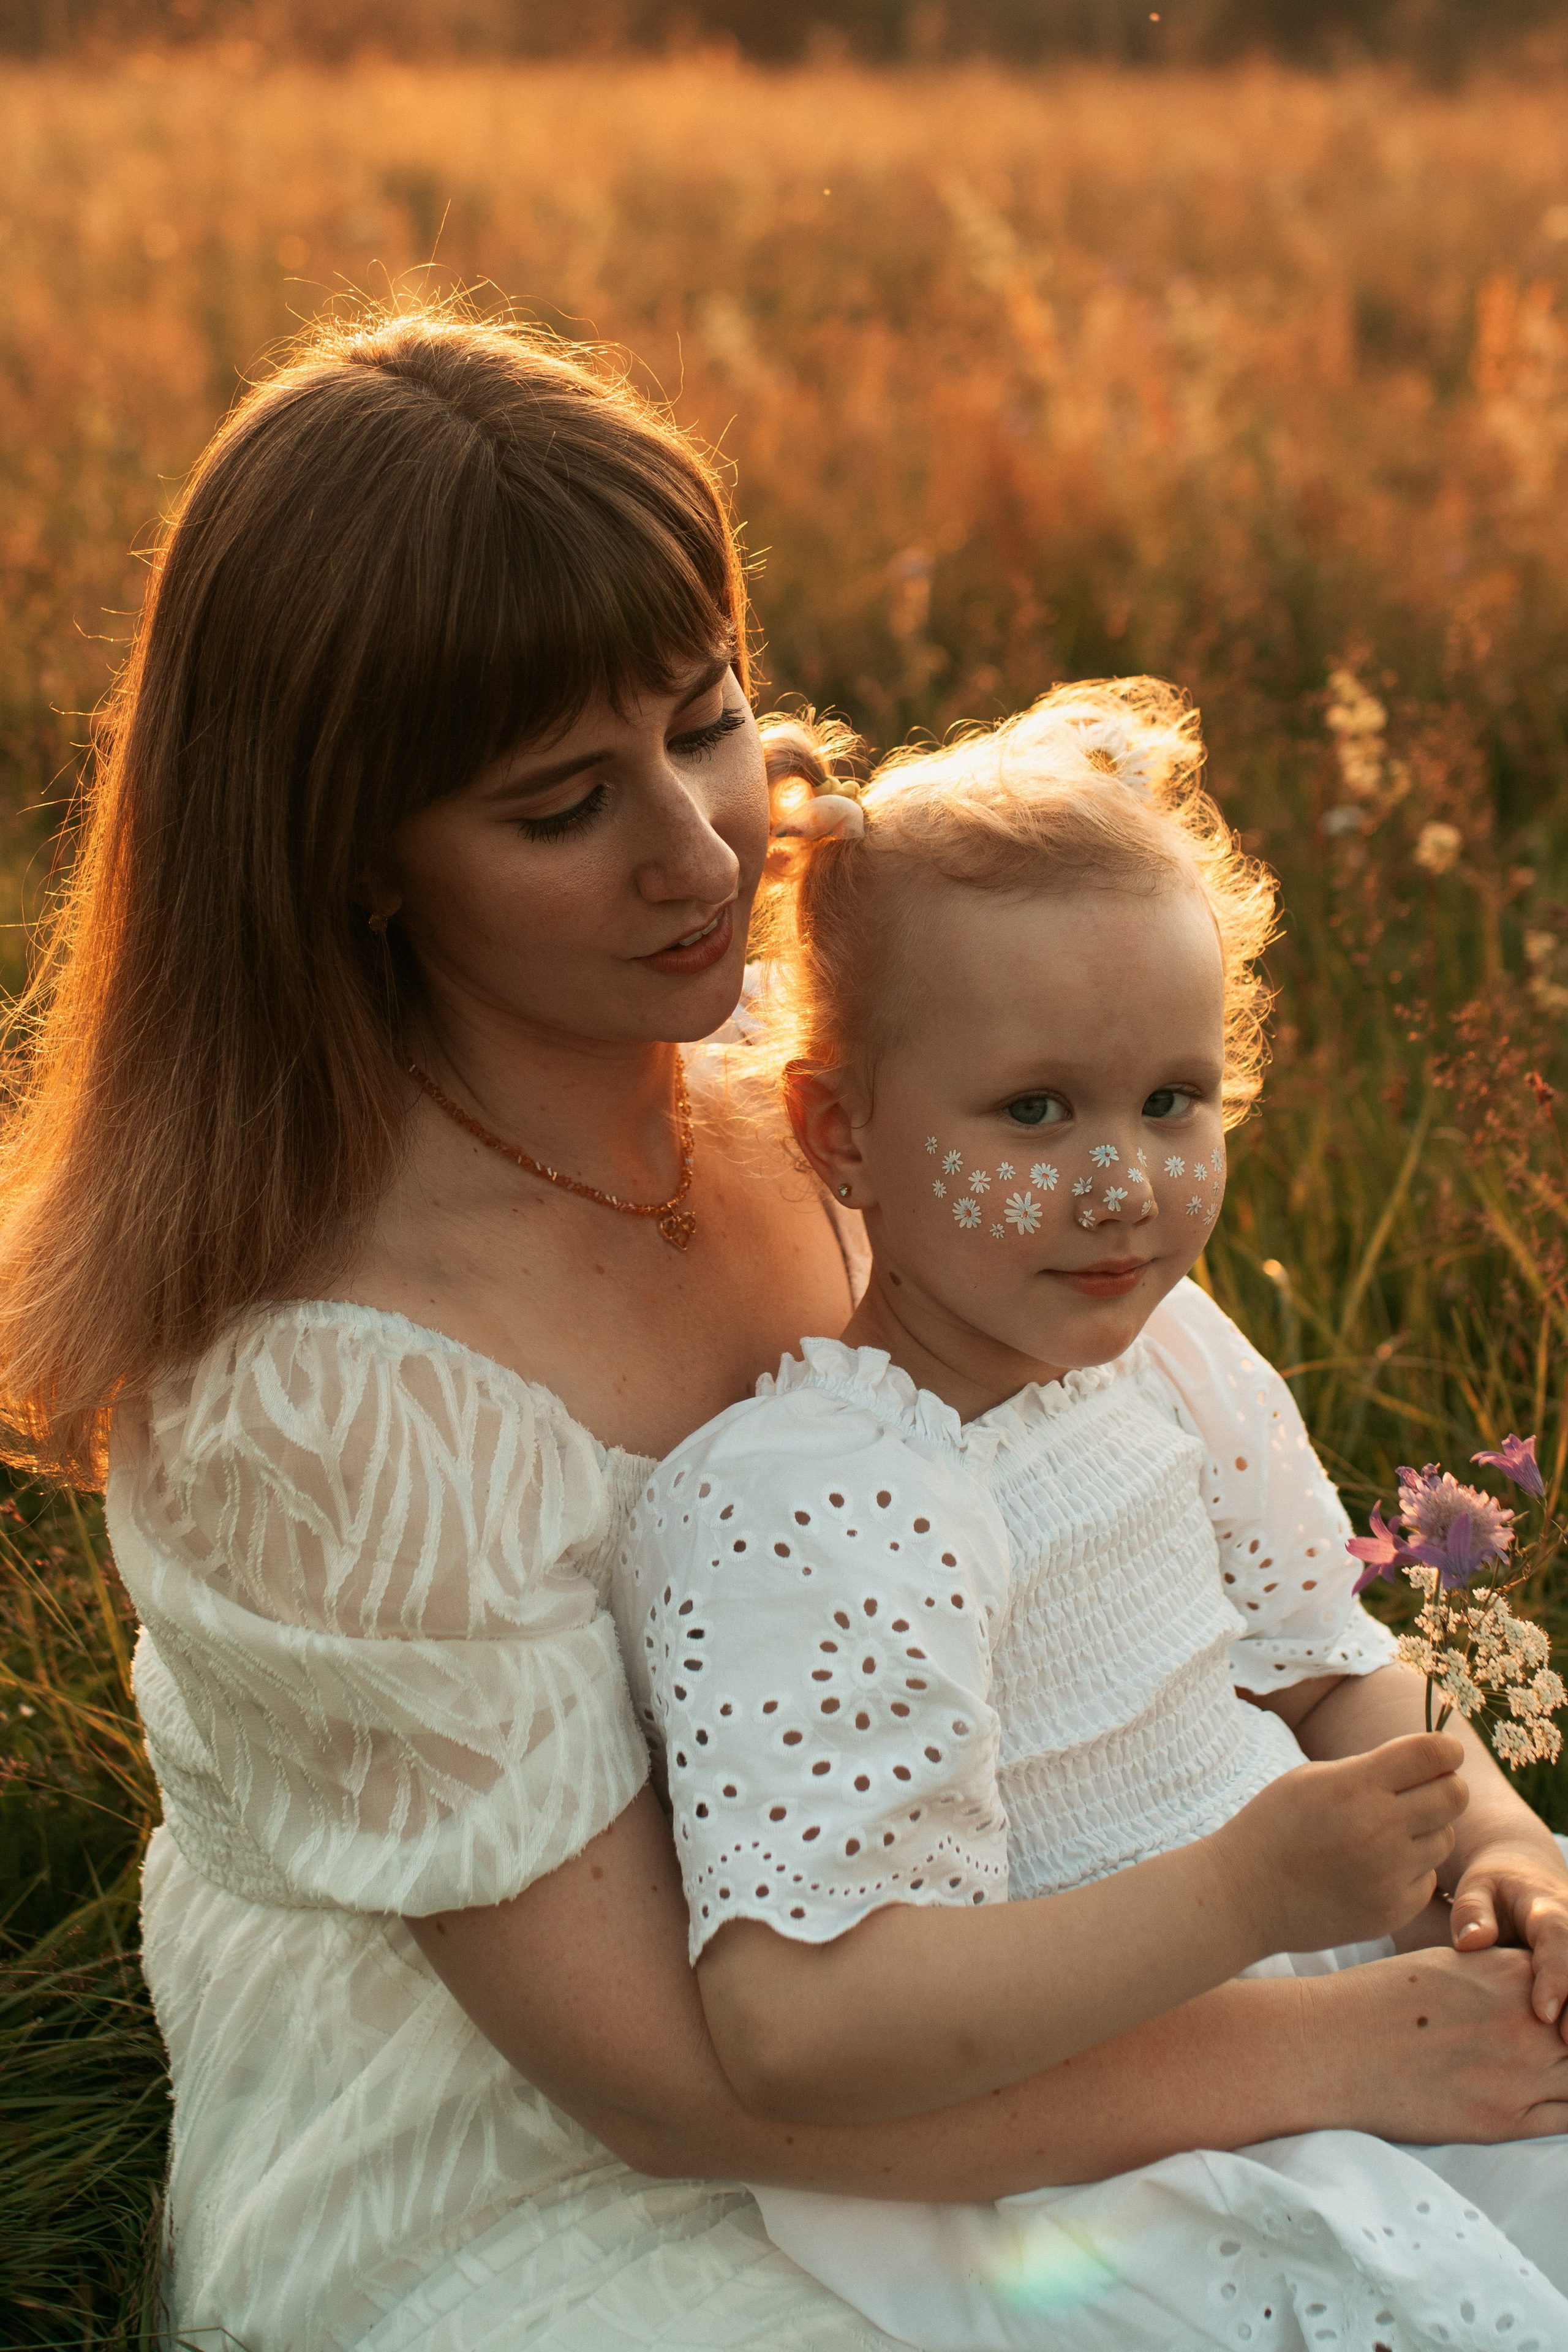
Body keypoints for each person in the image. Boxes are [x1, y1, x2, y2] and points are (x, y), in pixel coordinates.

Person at [1, 306, 1566, 2352]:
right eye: (560, 808)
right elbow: (668, 2087)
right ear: (349, 860)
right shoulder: (326, 1396)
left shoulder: (825, 1047)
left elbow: (1228, 1588)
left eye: (708, 714)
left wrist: (1459, 1890)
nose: (699, 847)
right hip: (598, 2144)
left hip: (1059, 1943)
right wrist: (1346, 2056)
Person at [618, 680, 1568, 2349]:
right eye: (1038, 1111)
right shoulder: (811, 1501)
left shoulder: (1164, 1348)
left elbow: (1329, 1669)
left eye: (1171, 1101)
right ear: (844, 1133)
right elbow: (802, 2033)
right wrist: (1246, 1900)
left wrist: (1500, 1849)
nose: (1122, 1181)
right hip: (1082, 2124)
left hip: (1325, 1972)